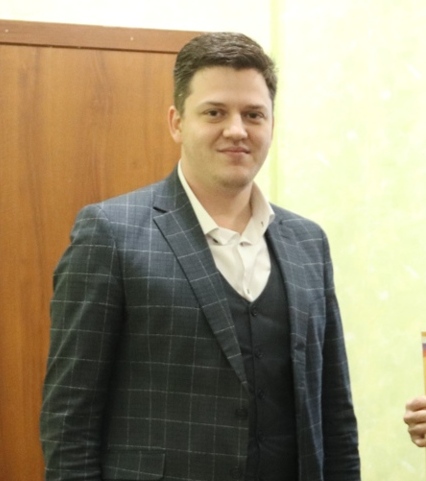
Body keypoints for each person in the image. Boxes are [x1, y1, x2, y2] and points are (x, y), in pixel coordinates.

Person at [40, 32, 360, 481]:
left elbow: (334, 414)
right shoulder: (110, 233)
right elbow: (70, 420)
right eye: (215, 112)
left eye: (253, 114)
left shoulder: (308, 243)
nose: (237, 130)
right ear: (176, 122)